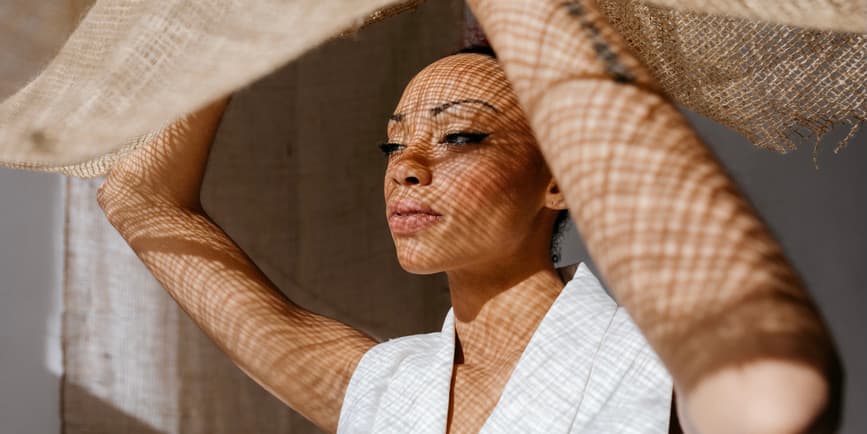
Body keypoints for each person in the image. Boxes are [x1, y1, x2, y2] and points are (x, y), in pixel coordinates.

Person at [96, 1, 841, 432]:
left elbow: (771, 393)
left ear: (560, 179)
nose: (406, 164)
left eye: (461, 136)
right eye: (393, 142)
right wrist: (221, 20)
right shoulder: (386, 389)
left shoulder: (657, 364)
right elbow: (137, 197)